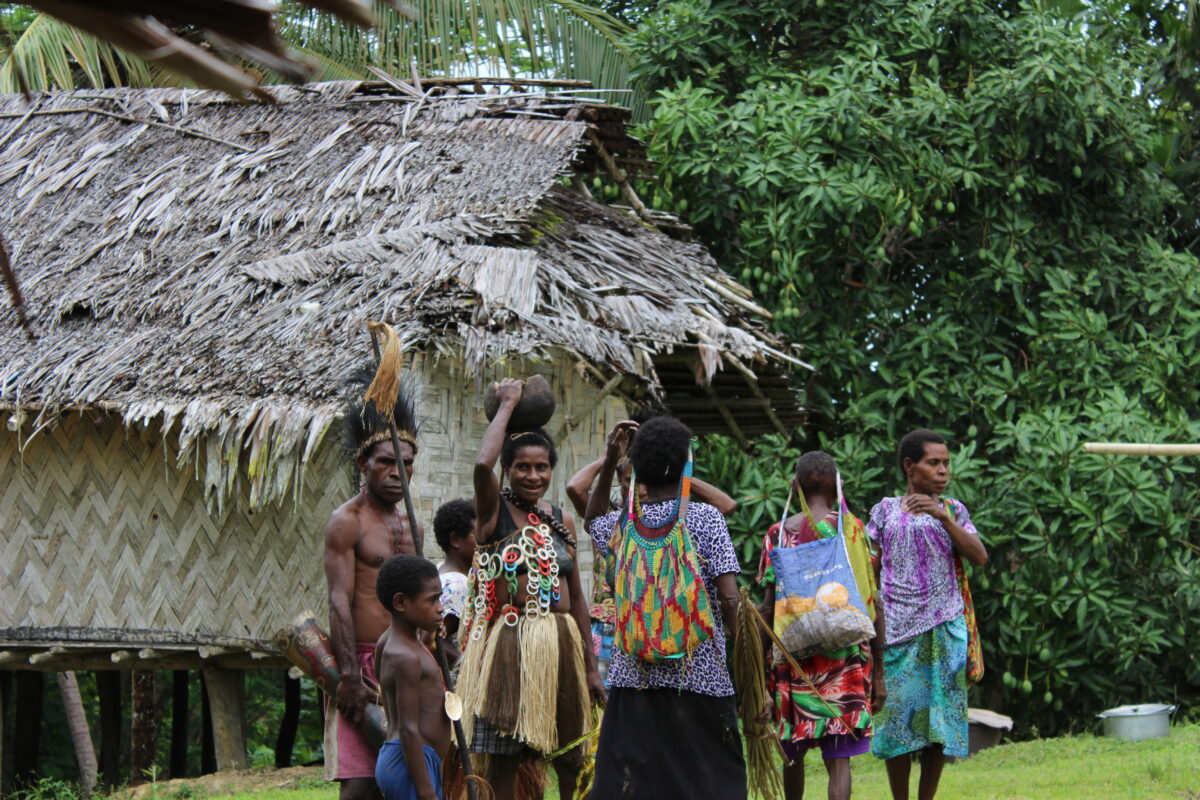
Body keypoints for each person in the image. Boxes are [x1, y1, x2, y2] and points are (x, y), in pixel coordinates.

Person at [584, 416, 747, 800]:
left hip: (632, 678)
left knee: (640, 785)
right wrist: (739, 652)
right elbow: (729, 597)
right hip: (700, 675)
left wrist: (610, 460)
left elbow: (591, 518)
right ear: (685, 462)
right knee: (709, 782)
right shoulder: (705, 519)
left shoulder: (621, 525)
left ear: (638, 467)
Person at [456, 377, 602, 800]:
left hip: (563, 645)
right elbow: (482, 466)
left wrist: (591, 667)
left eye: (541, 467)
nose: (533, 476)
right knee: (505, 759)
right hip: (513, 645)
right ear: (508, 469)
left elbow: (577, 600)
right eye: (522, 466)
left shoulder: (561, 519)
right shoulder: (492, 513)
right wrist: (507, 405)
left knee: (573, 758)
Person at [758, 451, 886, 800]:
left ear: (794, 485)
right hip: (843, 661)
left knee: (791, 757)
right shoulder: (851, 530)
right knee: (840, 760)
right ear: (837, 485)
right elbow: (871, 601)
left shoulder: (777, 534)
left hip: (791, 659)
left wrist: (758, 669)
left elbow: (768, 609)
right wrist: (879, 673)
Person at [868, 429, 987, 800]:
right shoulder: (884, 511)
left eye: (946, 463)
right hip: (897, 632)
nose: (942, 471)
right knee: (897, 725)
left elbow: (980, 556)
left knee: (940, 725)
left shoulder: (953, 510)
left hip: (945, 628)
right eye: (933, 463)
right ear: (909, 466)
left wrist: (942, 517)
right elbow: (870, 570)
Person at [567, 439, 738, 684]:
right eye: (631, 480)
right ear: (620, 480)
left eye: (649, 480)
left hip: (667, 626)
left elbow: (725, 505)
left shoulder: (672, 517)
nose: (641, 489)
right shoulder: (613, 517)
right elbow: (575, 489)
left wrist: (675, 473)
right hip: (613, 624)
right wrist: (609, 458)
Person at [324, 387, 425, 800]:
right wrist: (348, 673)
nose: (398, 472)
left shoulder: (413, 526)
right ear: (363, 464)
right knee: (359, 785)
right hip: (361, 663)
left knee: (401, 781)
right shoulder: (346, 521)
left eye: (407, 464)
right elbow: (339, 599)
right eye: (386, 462)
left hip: (405, 662)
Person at [374, 555, 452, 800]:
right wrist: (426, 791)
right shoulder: (404, 656)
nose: (441, 607)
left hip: (406, 759)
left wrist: (429, 634)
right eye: (432, 600)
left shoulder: (391, 640)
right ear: (401, 603)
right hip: (412, 763)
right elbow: (408, 729)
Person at [432, 499, 477, 667]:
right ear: (455, 540)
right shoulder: (458, 585)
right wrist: (470, 667)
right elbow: (436, 640)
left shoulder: (439, 571)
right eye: (479, 536)